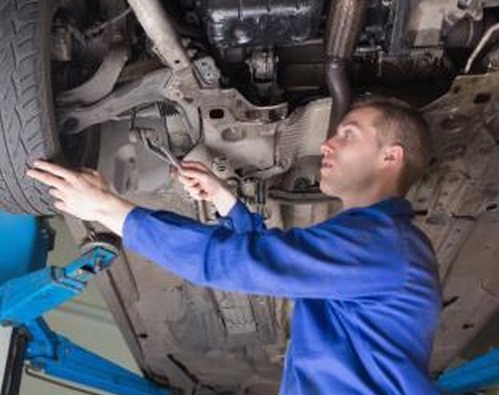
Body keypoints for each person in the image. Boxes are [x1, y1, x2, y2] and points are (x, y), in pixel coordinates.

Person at [26, 97, 442, 395]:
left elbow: (246, 263)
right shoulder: (375, 242)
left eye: (347, 135)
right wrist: (225, 200)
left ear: (391, 156)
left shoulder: (387, 246)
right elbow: (278, 258)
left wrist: (111, 210)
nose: (326, 145)